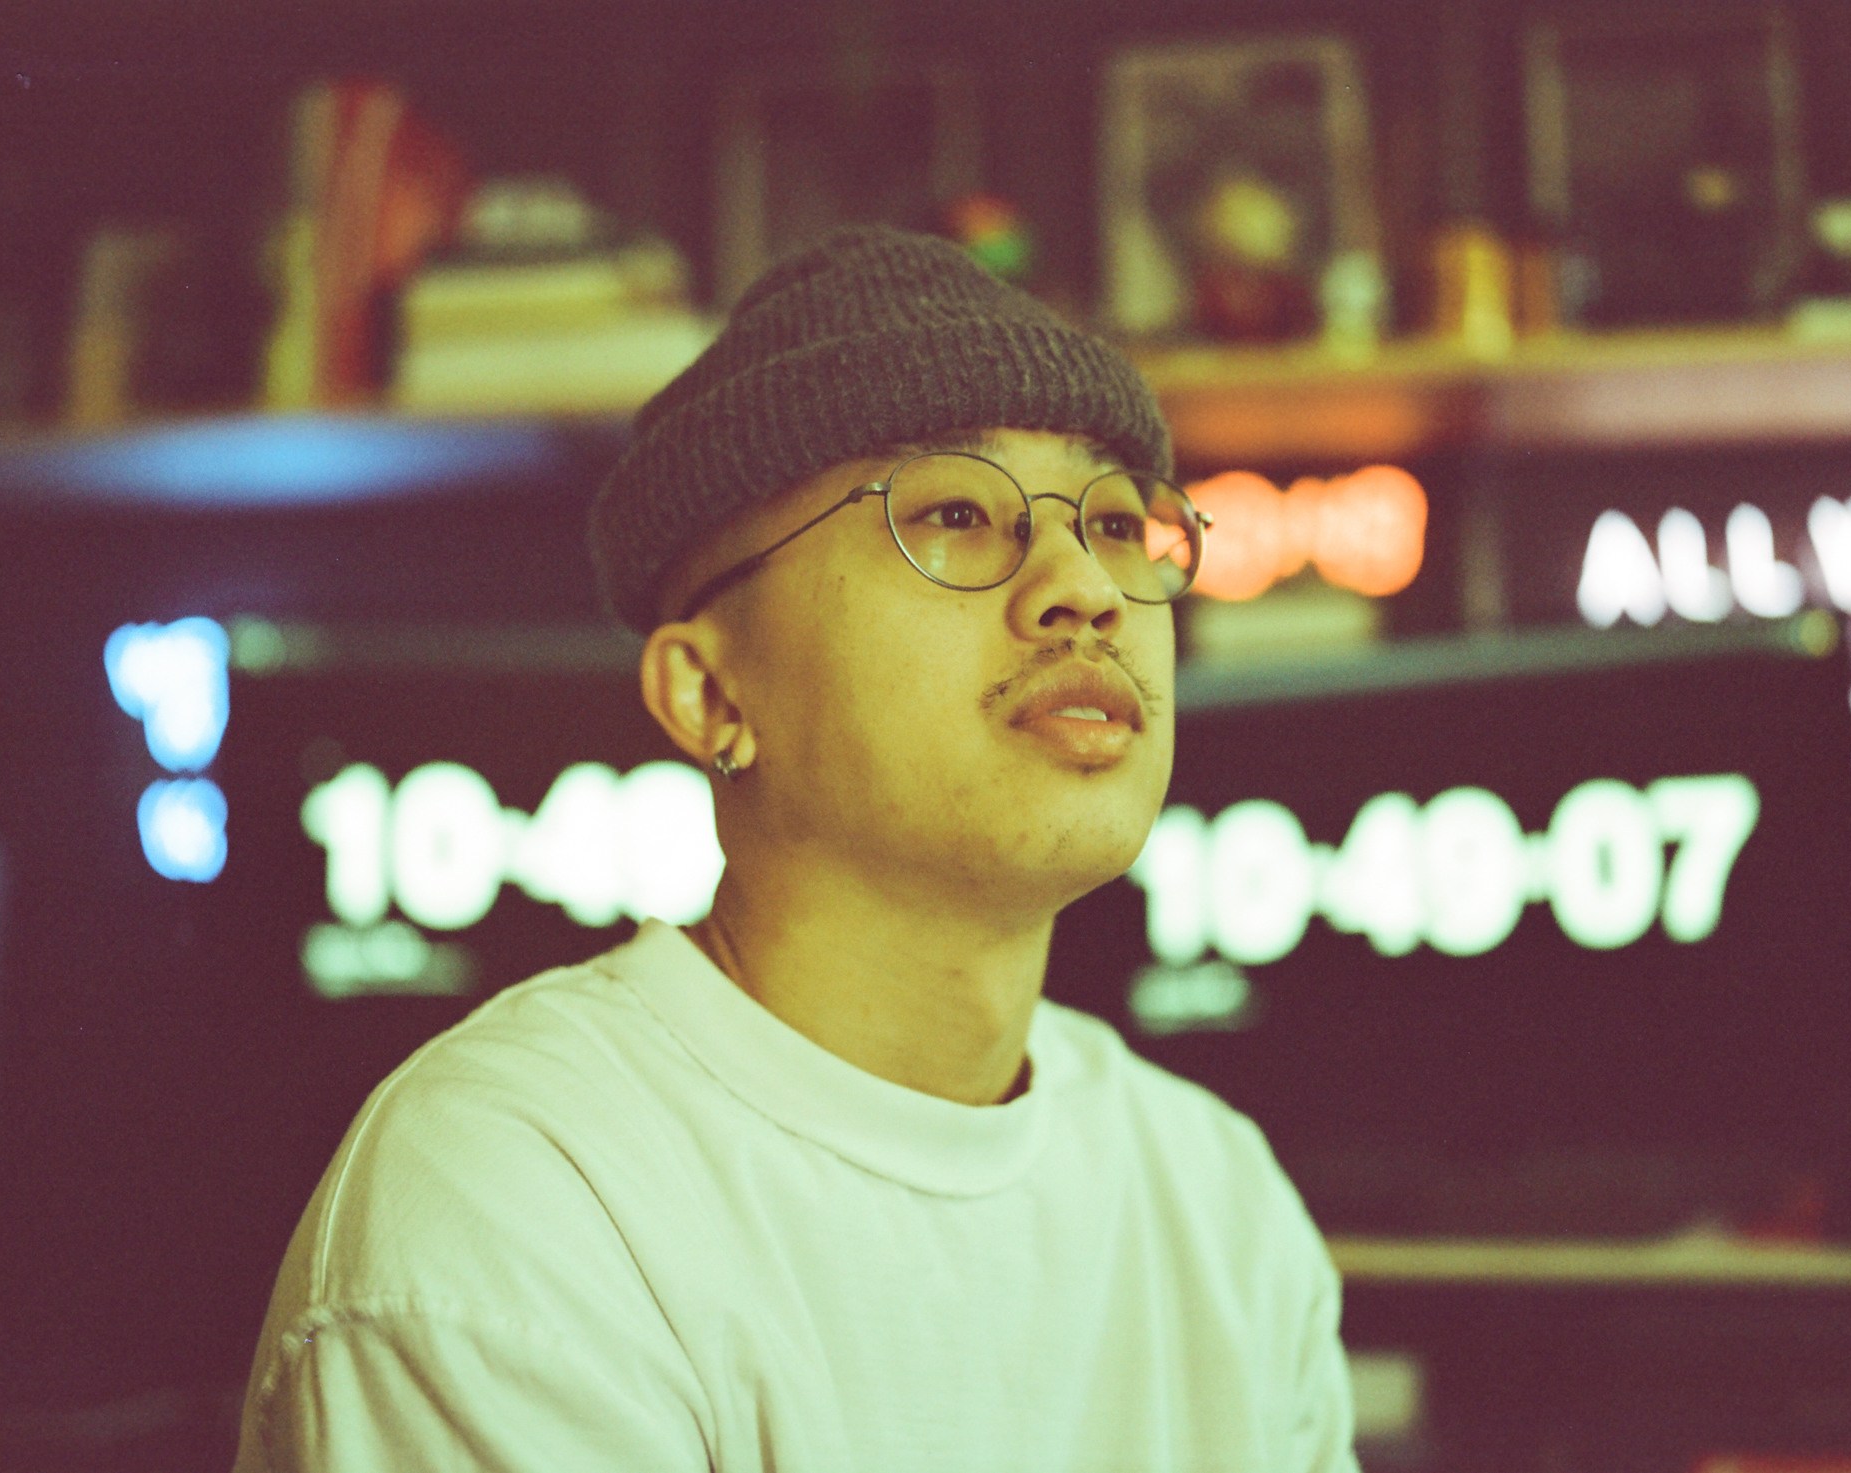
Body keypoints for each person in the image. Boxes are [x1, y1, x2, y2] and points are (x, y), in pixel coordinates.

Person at [231, 225, 1359, 1472]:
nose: (1084, 590)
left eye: (1115, 525)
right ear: (711, 694)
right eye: (953, 513)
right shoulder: (526, 1202)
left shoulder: (1217, 1199)